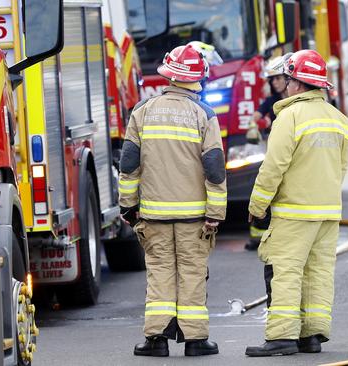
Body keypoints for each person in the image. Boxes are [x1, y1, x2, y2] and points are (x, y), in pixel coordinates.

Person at [118, 44, 227, 357]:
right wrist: (215, 213)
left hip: (153, 215)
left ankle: (156, 339)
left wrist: (129, 206)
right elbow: (215, 169)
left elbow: (129, 166)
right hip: (194, 217)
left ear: (168, 75)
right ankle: (195, 340)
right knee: (192, 274)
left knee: (160, 274)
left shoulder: (142, 112)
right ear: (198, 78)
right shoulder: (203, 114)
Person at [244, 49, 348, 357]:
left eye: (288, 79)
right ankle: (312, 335)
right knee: (318, 273)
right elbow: (341, 169)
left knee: (286, 271)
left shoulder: (288, 117)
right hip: (328, 212)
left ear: (298, 84)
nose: (286, 85)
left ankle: (281, 337)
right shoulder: (340, 120)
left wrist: (256, 206)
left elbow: (273, 167)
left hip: (294, 212)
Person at [244, 54, 292, 251]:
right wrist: (252, 126)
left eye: (278, 78)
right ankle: (259, 234)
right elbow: (255, 116)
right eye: (273, 79)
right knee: (270, 188)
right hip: (277, 150)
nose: (275, 82)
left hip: (295, 151)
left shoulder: (298, 99)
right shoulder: (272, 101)